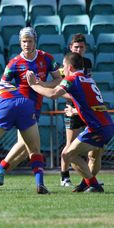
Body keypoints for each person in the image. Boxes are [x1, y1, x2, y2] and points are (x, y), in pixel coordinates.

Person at [27, 52, 114, 193]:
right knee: (94, 155)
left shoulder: (72, 79)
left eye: (64, 65)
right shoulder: (88, 79)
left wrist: (33, 85)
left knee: (67, 155)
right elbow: (85, 99)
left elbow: (53, 94)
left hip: (97, 127)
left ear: (70, 67)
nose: (63, 68)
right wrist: (75, 111)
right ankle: (87, 184)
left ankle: (94, 185)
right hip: (107, 124)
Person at [0, 27, 62, 186]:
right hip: (21, 108)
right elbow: (2, 86)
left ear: (35, 41)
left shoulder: (47, 58)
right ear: (20, 42)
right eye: (24, 41)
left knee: (25, 147)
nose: (27, 44)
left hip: (37, 106)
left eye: (30, 41)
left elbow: (58, 79)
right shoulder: (14, 63)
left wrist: (41, 84)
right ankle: (3, 172)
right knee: (30, 145)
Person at [59, 34, 93, 187]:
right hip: (72, 107)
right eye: (76, 47)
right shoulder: (66, 64)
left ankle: (88, 177)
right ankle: (64, 177)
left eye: (81, 47)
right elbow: (61, 88)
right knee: (70, 144)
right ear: (70, 48)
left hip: (85, 107)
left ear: (85, 48)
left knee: (88, 144)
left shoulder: (87, 63)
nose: (78, 50)